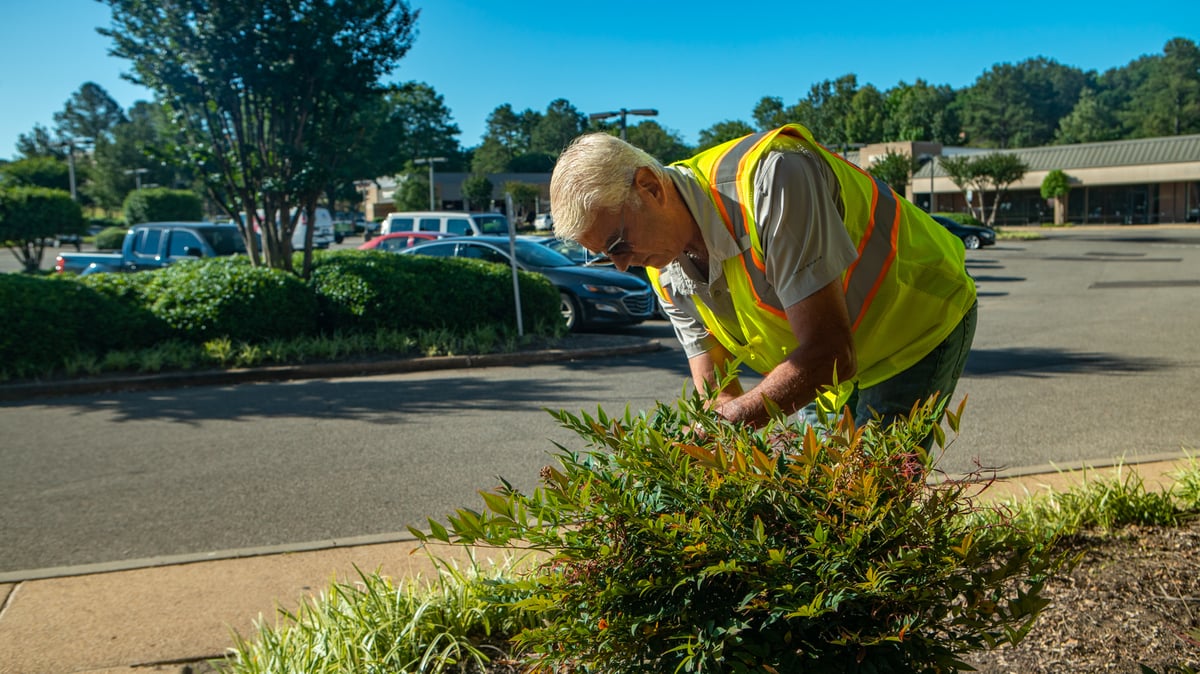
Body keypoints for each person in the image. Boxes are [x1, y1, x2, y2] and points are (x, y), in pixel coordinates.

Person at [550, 124, 977, 434]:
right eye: (607, 256)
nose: (623, 265)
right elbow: (716, 388)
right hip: (829, 364)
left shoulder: (774, 180)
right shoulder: (662, 264)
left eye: (619, 243)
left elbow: (831, 354)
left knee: (861, 509)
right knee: (816, 508)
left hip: (917, 321)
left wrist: (730, 424)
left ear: (650, 187)